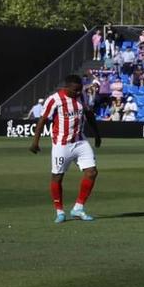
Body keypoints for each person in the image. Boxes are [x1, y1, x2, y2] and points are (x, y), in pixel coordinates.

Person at [31, 74, 100, 224]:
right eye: (75, 90)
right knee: (57, 177)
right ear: (66, 87)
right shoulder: (54, 99)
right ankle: (60, 211)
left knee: (92, 172)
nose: (78, 93)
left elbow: (89, 114)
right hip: (61, 145)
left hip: (80, 141)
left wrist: (97, 135)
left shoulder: (81, 97)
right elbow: (42, 120)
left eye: (80, 90)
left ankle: (78, 208)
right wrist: (35, 142)